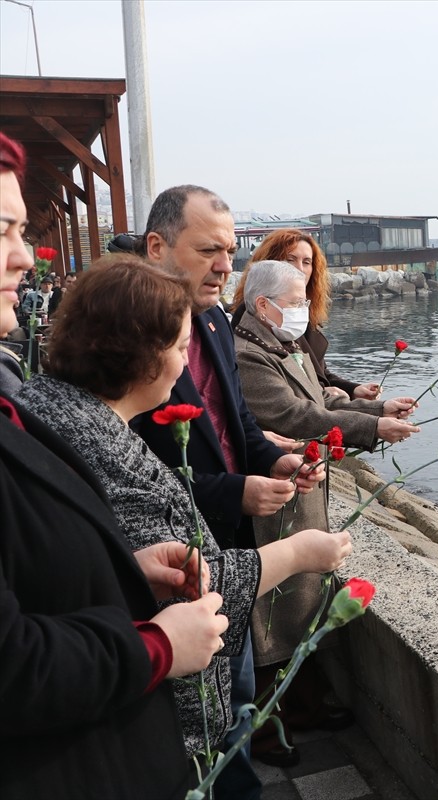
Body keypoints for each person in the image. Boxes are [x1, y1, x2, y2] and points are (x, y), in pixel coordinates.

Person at [16, 256, 352, 766]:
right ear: (140, 355)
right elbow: (194, 587)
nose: (183, 367)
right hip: (150, 726)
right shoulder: (92, 444)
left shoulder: (61, 413)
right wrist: (300, 553)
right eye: (178, 349)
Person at [1, 131, 228, 799]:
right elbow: (12, 666)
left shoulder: (24, 408)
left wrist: (120, 568)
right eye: (2, 231)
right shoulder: (75, 426)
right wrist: (156, 645)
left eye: (22, 231)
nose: (24, 257)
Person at [133, 184, 320, 791]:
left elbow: (236, 421)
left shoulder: (214, 320)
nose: (224, 266)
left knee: (236, 690)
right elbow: (135, 468)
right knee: (201, 712)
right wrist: (235, 491)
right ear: (157, 247)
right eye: (207, 250)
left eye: (230, 251)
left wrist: (275, 462)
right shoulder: (133, 332)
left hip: (230, 545)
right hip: (170, 560)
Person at [232, 259, 419, 761]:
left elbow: (322, 400)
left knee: (301, 603)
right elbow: (296, 415)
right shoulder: (248, 354)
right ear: (263, 305)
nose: (302, 310)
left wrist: (376, 410)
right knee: (271, 615)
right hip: (276, 495)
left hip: (302, 487)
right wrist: (373, 428)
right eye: (295, 302)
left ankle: (305, 708)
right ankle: (266, 729)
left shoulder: (283, 344)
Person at [232, 228, 410, 403]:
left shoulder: (300, 314)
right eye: (290, 260)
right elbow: (286, 393)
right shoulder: (257, 319)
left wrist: (353, 389)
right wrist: (322, 393)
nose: (299, 269)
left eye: (307, 262)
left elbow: (319, 371)